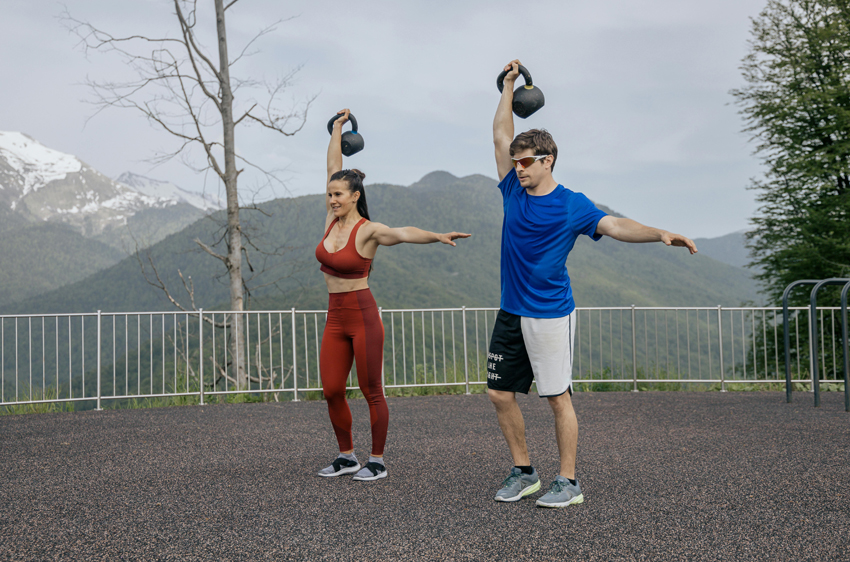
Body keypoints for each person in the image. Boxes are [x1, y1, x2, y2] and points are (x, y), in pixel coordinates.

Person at [488, 60, 698, 507]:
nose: (518, 167)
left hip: (549, 313)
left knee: (557, 399)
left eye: (526, 162)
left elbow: (616, 225)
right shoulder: (511, 189)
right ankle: (524, 472)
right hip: (511, 309)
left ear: (548, 161)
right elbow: (500, 134)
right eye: (515, 161)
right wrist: (507, 88)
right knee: (499, 393)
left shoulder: (572, 205)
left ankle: (569, 482)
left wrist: (659, 232)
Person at [316, 109, 470, 481]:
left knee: (372, 390)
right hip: (335, 316)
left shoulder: (369, 231)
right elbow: (333, 167)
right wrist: (336, 130)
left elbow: (403, 232)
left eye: (338, 195)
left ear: (354, 197)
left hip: (363, 314)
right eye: (330, 194)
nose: (332, 199)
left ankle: (377, 460)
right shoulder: (329, 223)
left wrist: (436, 235)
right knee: (332, 389)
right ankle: (346, 456)